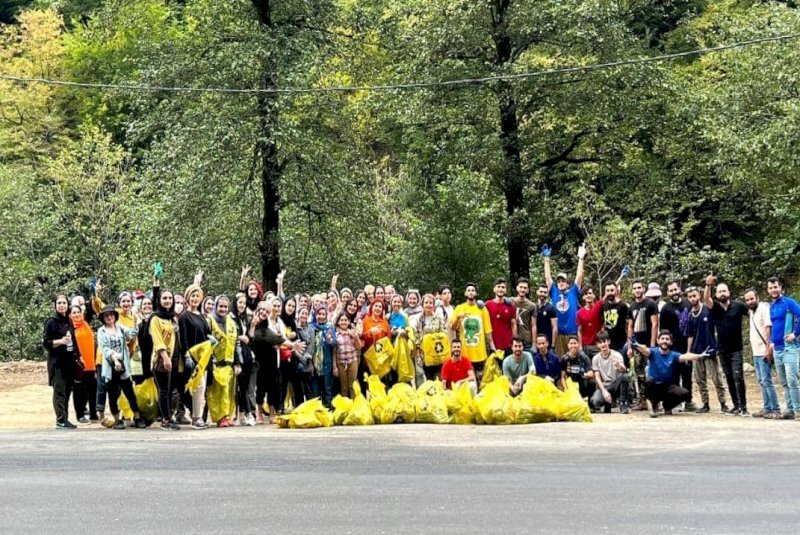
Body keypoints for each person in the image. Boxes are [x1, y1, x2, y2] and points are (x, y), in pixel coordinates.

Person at [631, 331, 713, 418]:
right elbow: (645, 349)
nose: (664, 341)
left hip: (667, 387)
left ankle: (667, 406)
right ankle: (654, 408)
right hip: (653, 388)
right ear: (658, 341)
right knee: (649, 381)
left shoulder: (674, 355)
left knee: (685, 393)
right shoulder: (653, 352)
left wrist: (700, 356)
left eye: (667, 339)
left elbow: (686, 356)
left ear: (671, 342)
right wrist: (637, 345)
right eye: (662, 339)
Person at [704, 275, 749, 416]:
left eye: (725, 291)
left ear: (729, 293)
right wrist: (708, 285)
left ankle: (744, 407)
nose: (722, 293)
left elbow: (753, 313)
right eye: (720, 291)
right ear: (716, 295)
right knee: (729, 377)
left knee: (738, 377)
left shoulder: (739, 306)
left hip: (737, 349)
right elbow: (706, 299)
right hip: (722, 349)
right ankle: (736, 406)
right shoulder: (715, 308)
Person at [97, 305, 146, 429]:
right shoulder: (101, 331)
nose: (109, 317)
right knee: (112, 394)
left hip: (123, 366)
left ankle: (137, 416)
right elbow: (105, 349)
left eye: (111, 314)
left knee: (129, 392)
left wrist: (136, 321)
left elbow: (132, 334)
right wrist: (115, 359)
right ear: (103, 318)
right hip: (110, 366)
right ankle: (117, 419)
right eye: (106, 315)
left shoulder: (120, 328)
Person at [686, 286, 730, 414]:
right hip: (696, 351)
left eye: (694, 296)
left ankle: (723, 403)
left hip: (710, 349)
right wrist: (689, 352)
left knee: (717, 378)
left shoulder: (707, 310)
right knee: (700, 379)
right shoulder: (690, 315)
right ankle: (705, 404)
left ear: (699, 295)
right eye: (690, 297)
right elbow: (690, 335)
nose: (692, 299)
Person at [43, 295, 81, 429]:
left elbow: (74, 341)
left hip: (69, 361)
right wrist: (60, 341)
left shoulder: (68, 321)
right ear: (55, 305)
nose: (61, 305)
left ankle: (65, 418)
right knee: (59, 390)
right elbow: (46, 343)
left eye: (64, 303)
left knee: (67, 391)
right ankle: (60, 419)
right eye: (59, 303)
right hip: (57, 362)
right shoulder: (51, 322)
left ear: (68, 305)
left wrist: (78, 356)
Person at [179, 283, 212, 429]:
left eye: (197, 295)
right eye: (192, 295)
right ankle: (196, 417)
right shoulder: (184, 316)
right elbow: (183, 338)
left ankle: (197, 416)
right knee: (198, 386)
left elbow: (206, 334)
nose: (195, 298)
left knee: (202, 387)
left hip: (204, 357)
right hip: (192, 357)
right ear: (187, 298)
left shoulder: (202, 316)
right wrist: (186, 355)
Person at [543, 243, 586, 356]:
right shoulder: (554, 292)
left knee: (574, 359)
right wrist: (546, 259)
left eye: (563, 281)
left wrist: (581, 258)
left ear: (568, 283)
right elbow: (548, 278)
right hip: (559, 334)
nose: (560, 283)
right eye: (559, 281)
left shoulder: (573, 292)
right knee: (561, 360)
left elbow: (579, 276)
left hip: (573, 333)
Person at [766, 276, 800, 419]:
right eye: (771, 288)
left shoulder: (789, 302)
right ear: (768, 290)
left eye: (776, 287)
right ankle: (790, 409)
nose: (774, 290)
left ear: (780, 287)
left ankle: (798, 410)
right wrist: (772, 341)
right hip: (778, 349)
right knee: (784, 381)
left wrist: (795, 333)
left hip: (790, 348)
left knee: (792, 380)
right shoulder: (772, 306)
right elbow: (774, 326)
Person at [659, 280, 694, 410]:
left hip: (687, 346)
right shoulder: (665, 309)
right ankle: (676, 401)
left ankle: (689, 402)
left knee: (687, 375)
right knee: (673, 376)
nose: (674, 292)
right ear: (667, 293)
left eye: (675, 289)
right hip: (673, 349)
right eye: (671, 290)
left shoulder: (688, 303)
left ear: (679, 289)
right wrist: (665, 348)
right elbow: (663, 331)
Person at [744, 288, 779, 419]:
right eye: (747, 300)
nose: (750, 302)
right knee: (761, 380)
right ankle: (767, 407)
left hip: (764, 351)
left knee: (767, 380)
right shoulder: (752, 312)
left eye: (752, 299)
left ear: (757, 297)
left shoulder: (763, 308)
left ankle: (775, 408)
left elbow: (768, 326)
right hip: (755, 352)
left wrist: (768, 348)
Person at [149, 288, 180, 431]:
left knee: (168, 390)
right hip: (160, 359)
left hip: (172, 358)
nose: (167, 301)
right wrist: (165, 357)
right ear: (159, 301)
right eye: (164, 298)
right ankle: (165, 420)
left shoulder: (170, 317)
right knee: (163, 390)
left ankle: (168, 417)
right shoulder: (155, 318)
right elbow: (157, 339)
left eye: (169, 298)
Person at [206, 295, 239, 427]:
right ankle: (220, 417)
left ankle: (227, 416)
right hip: (215, 363)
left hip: (229, 363)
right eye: (220, 306)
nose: (223, 309)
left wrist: (237, 362)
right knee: (217, 393)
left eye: (225, 307)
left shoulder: (231, 322)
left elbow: (235, 343)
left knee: (229, 392)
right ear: (216, 306)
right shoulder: (209, 321)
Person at [450, 282, 494, 381]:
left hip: (480, 352)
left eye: (473, 290)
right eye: (468, 290)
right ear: (465, 293)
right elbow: (453, 327)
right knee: (468, 381)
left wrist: (492, 348)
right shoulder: (459, 308)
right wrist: (458, 317)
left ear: (476, 293)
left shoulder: (482, 309)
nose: (471, 292)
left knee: (481, 380)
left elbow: (488, 331)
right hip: (465, 353)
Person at [626, 279, 659, 410]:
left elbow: (655, 324)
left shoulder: (650, 304)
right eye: (634, 288)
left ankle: (656, 401)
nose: (637, 290)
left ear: (643, 288)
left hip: (648, 344)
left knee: (651, 373)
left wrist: (652, 345)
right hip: (637, 345)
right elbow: (630, 327)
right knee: (639, 374)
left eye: (639, 287)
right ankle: (643, 401)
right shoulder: (632, 306)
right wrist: (629, 346)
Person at [70, 304, 98, 424]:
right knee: (79, 391)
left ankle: (93, 414)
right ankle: (80, 415)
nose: (76, 314)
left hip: (91, 363)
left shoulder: (86, 324)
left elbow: (92, 308)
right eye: (74, 312)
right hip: (79, 364)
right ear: (70, 315)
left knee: (93, 389)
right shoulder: (70, 328)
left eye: (78, 312)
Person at [232, 292, 256, 426]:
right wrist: (240, 337)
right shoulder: (231, 318)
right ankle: (245, 413)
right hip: (237, 353)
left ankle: (242, 414)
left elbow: (250, 337)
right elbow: (231, 336)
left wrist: (252, 325)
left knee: (244, 386)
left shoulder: (244, 318)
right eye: (240, 302)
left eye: (244, 303)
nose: (242, 305)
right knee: (239, 386)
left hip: (246, 353)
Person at [590, 332, 630, 413]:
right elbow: (597, 377)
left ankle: (623, 403)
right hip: (605, 385)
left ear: (609, 342)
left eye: (604, 341)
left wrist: (619, 366)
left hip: (615, 384)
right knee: (595, 401)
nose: (603, 345)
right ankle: (607, 403)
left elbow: (624, 370)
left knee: (625, 377)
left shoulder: (617, 355)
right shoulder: (595, 358)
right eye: (600, 343)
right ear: (597, 345)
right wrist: (604, 391)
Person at [415, 294, 449, 380]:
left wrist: (432, 335)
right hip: (425, 355)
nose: (428, 305)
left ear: (434, 305)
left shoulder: (439, 318)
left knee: (438, 378)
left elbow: (445, 333)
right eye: (426, 302)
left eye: (430, 303)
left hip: (438, 354)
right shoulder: (419, 319)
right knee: (428, 379)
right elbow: (417, 336)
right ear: (422, 305)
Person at [278, 297, 300, 414]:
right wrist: (288, 335)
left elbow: (297, 335)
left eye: (293, 306)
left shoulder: (293, 321)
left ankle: (298, 405)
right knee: (282, 382)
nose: (290, 308)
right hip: (281, 356)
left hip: (292, 356)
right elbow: (278, 336)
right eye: (289, 305)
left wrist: (293, 334)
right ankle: (280, 407)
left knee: (295, 381)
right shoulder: (279, 319)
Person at [311, 306, 336, 408]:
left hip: (326, 363)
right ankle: (317, 412)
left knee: (327, 388)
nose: (321, 316)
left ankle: (328, 410)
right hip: (314, 364)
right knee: (315, 389)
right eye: (319, 314)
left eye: (323, 314)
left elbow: (334, 343)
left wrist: (329, 339)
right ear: (315, 315)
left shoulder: (329, 328)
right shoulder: (311, 328)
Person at [333, 313, 362, 399]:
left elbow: (359, 346)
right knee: (344, 387)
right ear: (338, 322)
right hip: (341, 363)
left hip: (352, 361)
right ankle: (345, 407)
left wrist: (356, 337)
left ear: (349, 322)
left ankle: (354, 406)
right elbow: (334, 352)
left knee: (352, 386)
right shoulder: (335, 335)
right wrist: (335, 367)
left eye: (345, 320)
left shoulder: (353, 333)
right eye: (341, 320)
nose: (343, 322)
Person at [485, 278, 516, 354]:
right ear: (494, 289)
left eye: (503, 287)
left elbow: (513, 324)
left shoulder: (510, 306)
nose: (500, 289)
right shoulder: (487, 305)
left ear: (505, 290)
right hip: (493, 345)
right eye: (498, 287)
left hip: (508, 345)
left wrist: (514, 342)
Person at [560, 336, 594, 401]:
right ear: (568, 345)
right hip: (571, 384)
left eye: (575, 343)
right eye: (571, 343)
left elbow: (591, 373)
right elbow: (562, 377)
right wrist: (565, 388)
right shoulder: (564, 359)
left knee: (592, 382)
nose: (573, 345)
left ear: (578, 344)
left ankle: (590, 404)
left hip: (582, 384)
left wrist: (585, 374)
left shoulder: (584, 357)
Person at [294, 306, 314, 406]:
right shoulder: (294, 328)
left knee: (309, 390)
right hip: (296, 362)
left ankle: (309, 411)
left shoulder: (311, 330)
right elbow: (293, 344)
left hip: (307, 363)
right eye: (302, 313)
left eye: (306, 314)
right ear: (298, 314)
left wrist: (305, 358)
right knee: (298, 390)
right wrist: (298, 357)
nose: (304, 315)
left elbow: (311, 346)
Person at [601, 282, 628, 353]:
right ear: (605, 292)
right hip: (608, 343)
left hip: (621, 343)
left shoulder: (623, 306)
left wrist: (628, 342)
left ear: (616, 291)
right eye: (608, 290)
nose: (610, 293)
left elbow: (628, 325)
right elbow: (603, 323)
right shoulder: (604, 305)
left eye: (612, 290)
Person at [576, 286, 602, 356]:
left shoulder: (599, 307)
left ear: (593, 295)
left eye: (590, 293)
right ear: (583, 297)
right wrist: (580, 346)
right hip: (586, 346)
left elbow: (607, 294)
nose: (588, 295)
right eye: (586, 294)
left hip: (598, 345)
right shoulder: (579, 313)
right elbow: (579, 331)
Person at [512, 277, 536, 351]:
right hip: (513, 341)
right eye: (521, 287)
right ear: (517, 288)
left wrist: (534, 344)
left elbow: (533, 325)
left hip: (526, 340)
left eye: (525, 288)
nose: (522, 290)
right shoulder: (510, 301)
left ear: (528, 290)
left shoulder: (532, 305)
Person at [534, 284, 558, 349]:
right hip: (536, 342)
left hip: (547, 343)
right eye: (541, 292)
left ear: (547, 294)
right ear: (537, 292)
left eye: (545, 292)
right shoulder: (533, 307)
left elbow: (555, 327)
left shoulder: (551, 308)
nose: (543, 294)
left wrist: (553, 345)